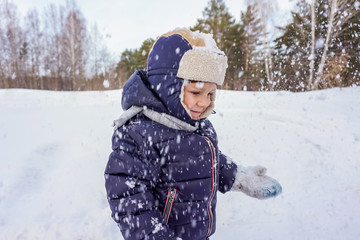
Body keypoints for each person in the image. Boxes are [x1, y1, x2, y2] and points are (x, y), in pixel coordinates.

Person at [104, 28, 282, 240]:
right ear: (168, 86)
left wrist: (239, 177)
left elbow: (204, 161)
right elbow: (130, 202)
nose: (204, 102)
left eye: (210, 93)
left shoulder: (198, 126)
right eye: (196, 92)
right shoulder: (138, 134)